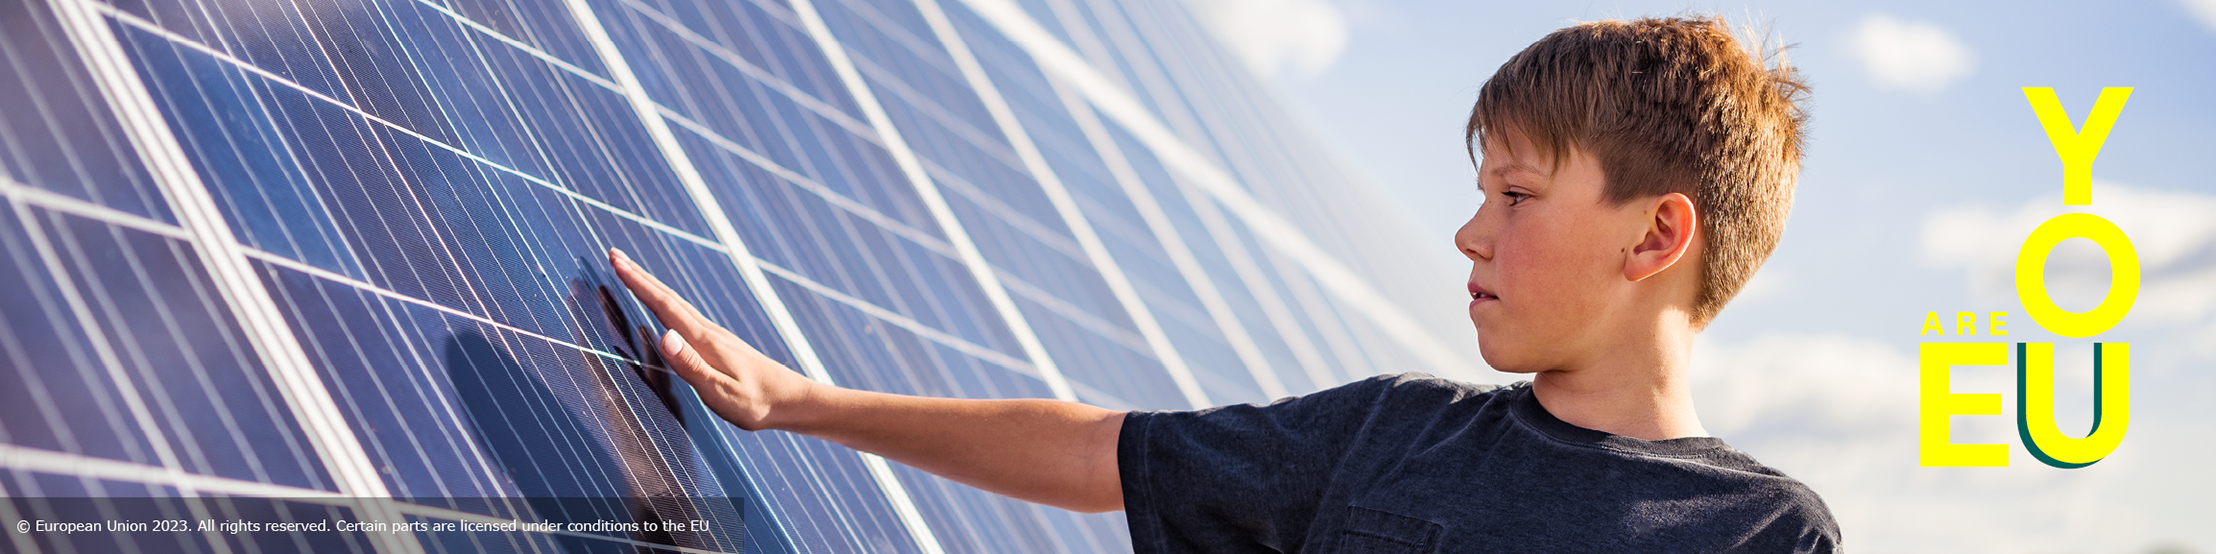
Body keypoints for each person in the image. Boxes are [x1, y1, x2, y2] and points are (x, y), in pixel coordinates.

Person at [608, 13, 1837, 553]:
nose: (1467, 233)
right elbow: (1101, 451)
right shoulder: (1387, 433)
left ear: (1653, 236)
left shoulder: (1757, 534)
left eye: (1514, 197)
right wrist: (798, 401)